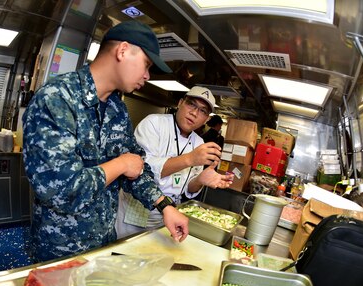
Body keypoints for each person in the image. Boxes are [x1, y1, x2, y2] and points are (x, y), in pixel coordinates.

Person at [22, 20, 189, 262]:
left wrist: (165, 206)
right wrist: (120, 164)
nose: (147, 75)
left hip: (103, 243)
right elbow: (62, 190)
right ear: (122, 50)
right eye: (146, 64)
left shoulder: (117, 109)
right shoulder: (57, 99)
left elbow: (136, 167)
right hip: (61, 250)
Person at [116, 86, 234, 238]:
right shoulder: (154, 124)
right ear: (180, 103)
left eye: (203, 111)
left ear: (207, 119)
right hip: (136, 212)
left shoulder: (199, 143)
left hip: (169, 216)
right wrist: (190, 158)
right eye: (191, 104)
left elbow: (188, 187)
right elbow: (139, 170)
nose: (194, 113)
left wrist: (200, 180)